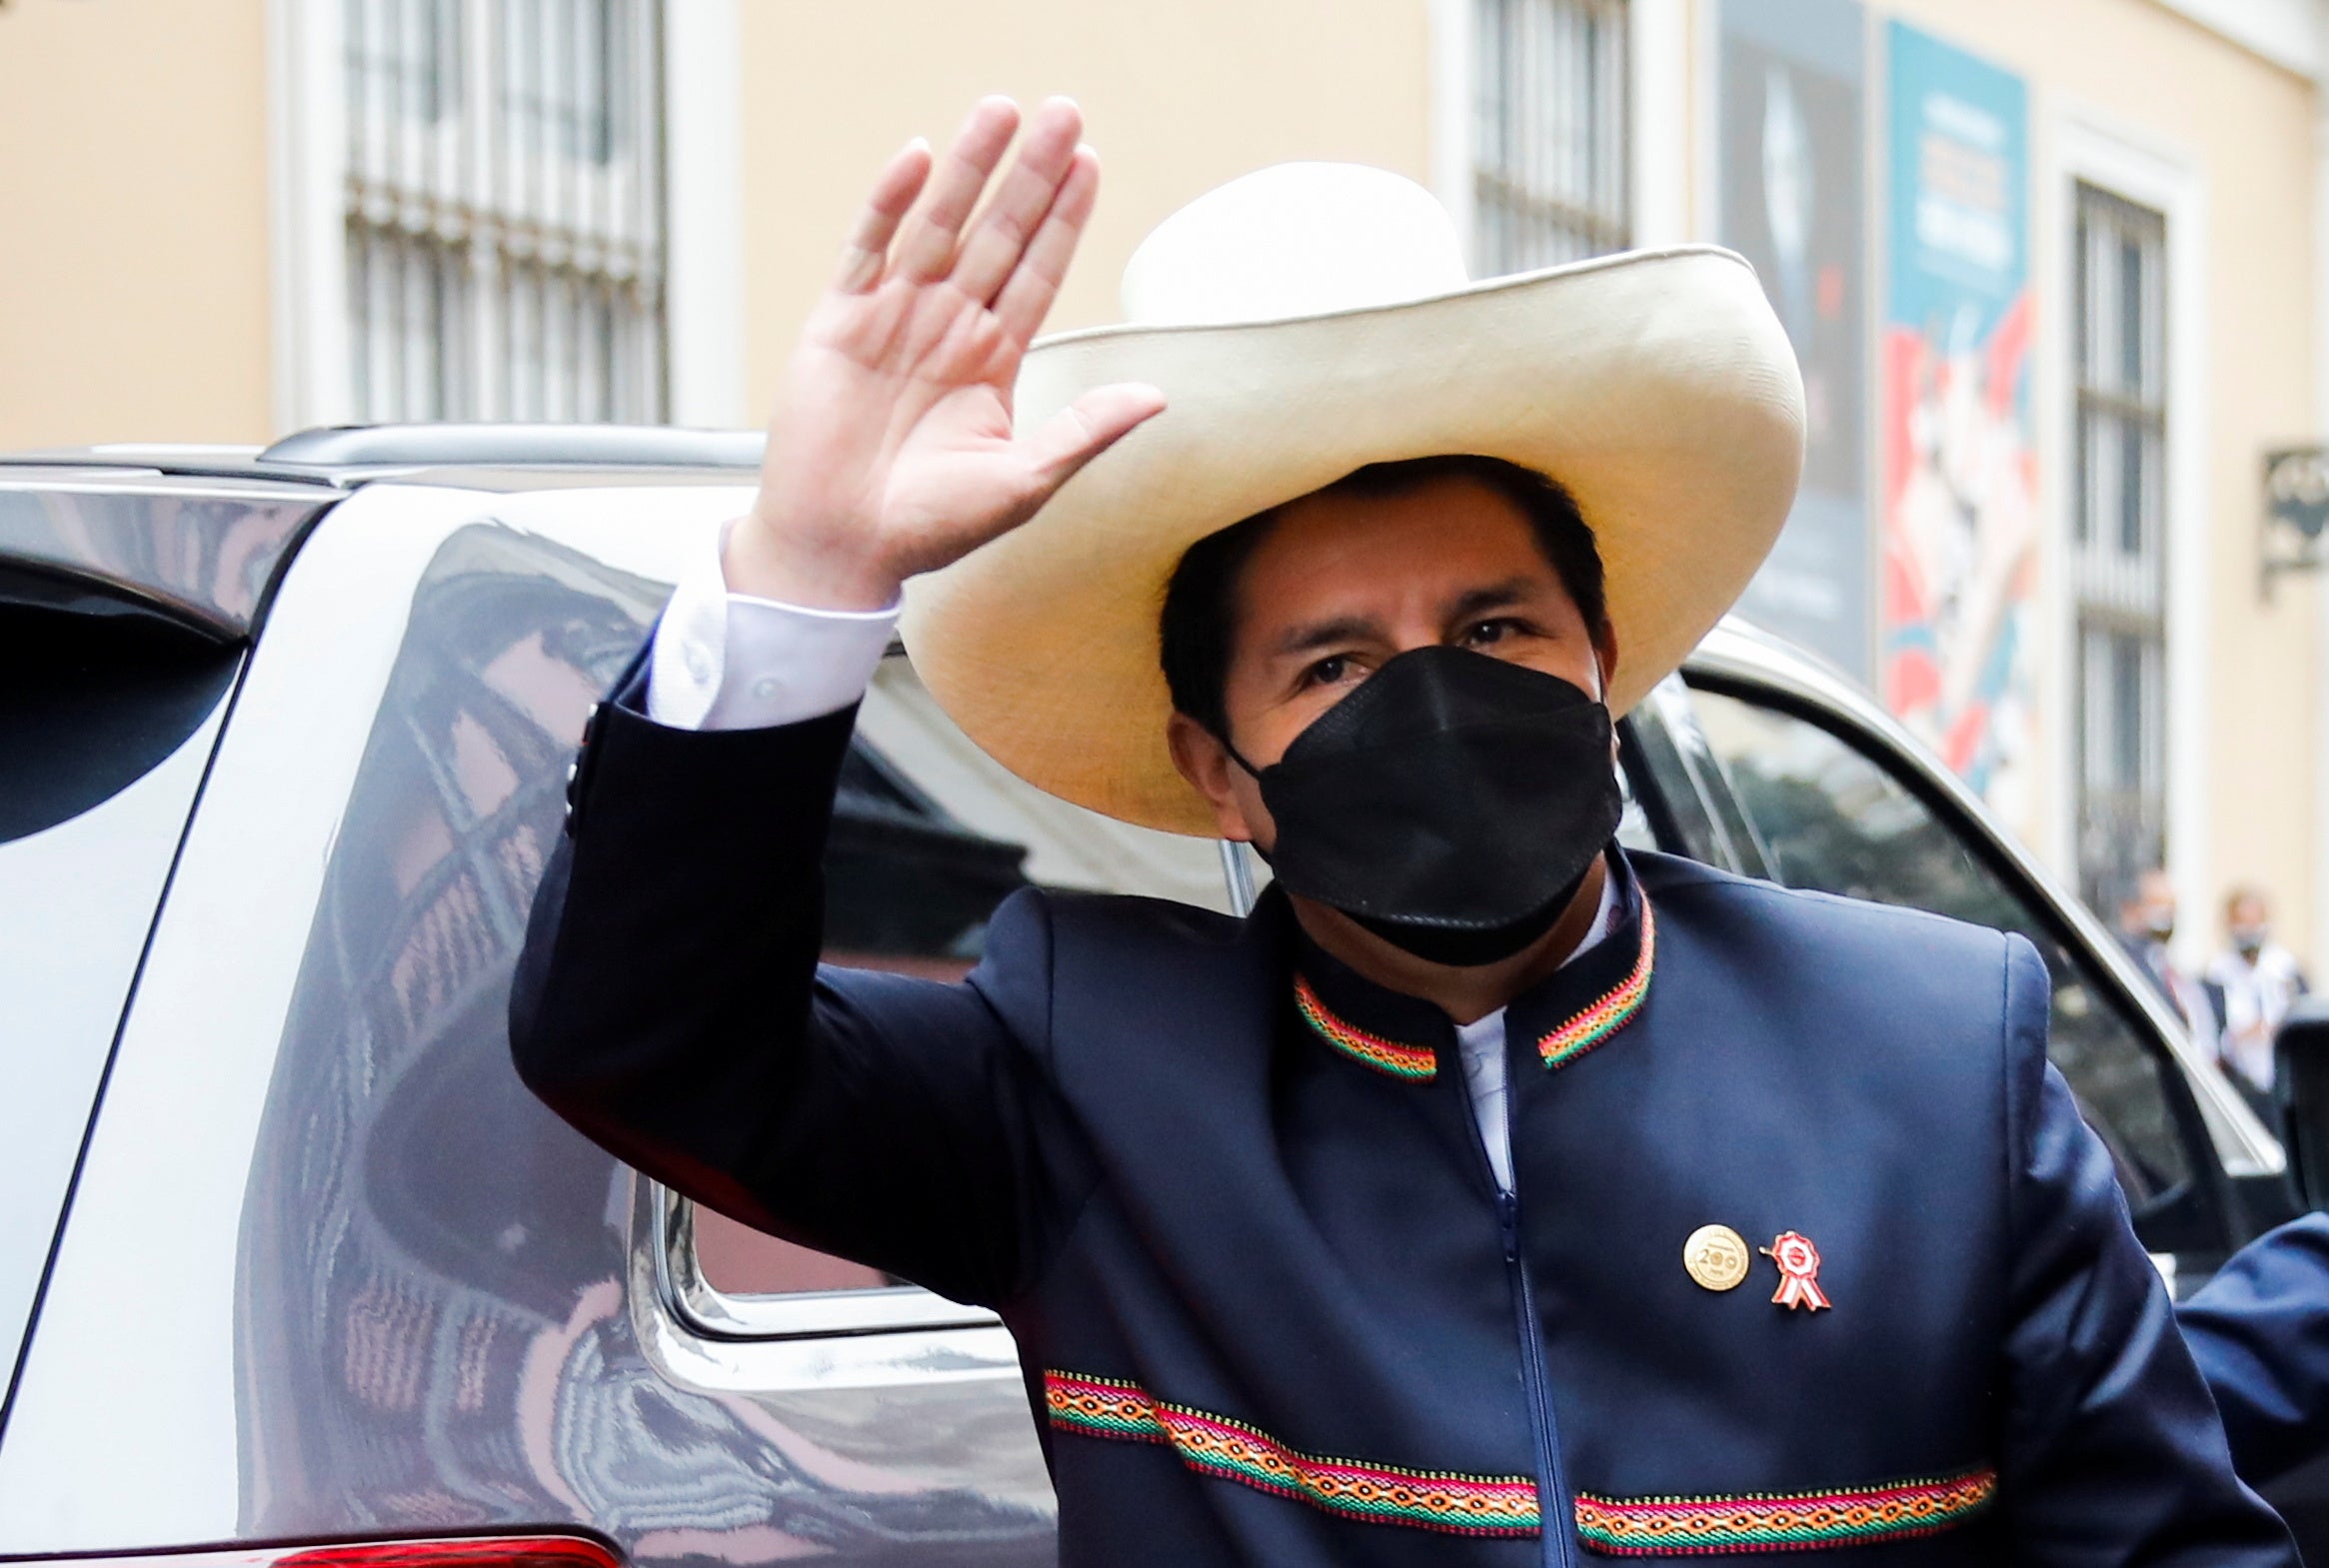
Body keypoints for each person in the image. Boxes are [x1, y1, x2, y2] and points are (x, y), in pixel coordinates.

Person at [510, 97, 2293, 1565]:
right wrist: (812, 572)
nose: (1434, 705)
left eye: (1499, 630)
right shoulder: (1085, 1077)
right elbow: (646, 1036)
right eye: (1337, 663)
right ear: (1219, 767)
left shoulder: (1928, 1056)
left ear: (1608, 668)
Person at [2208, 886, 2311, 1104]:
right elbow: (2212, 1039)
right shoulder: (2217, 975)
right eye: (2242, 922)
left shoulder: (2286, 969)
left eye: (2255, 922)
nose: (2250, 930)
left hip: (2284, 1085)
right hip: (2239, 1086)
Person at [2117, 866, 2218, 1048]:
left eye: (2171, 906)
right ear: (2130, 908)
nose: (2166, 913)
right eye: (2157, 904)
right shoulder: (2122, 962)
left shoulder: (2167, 968)